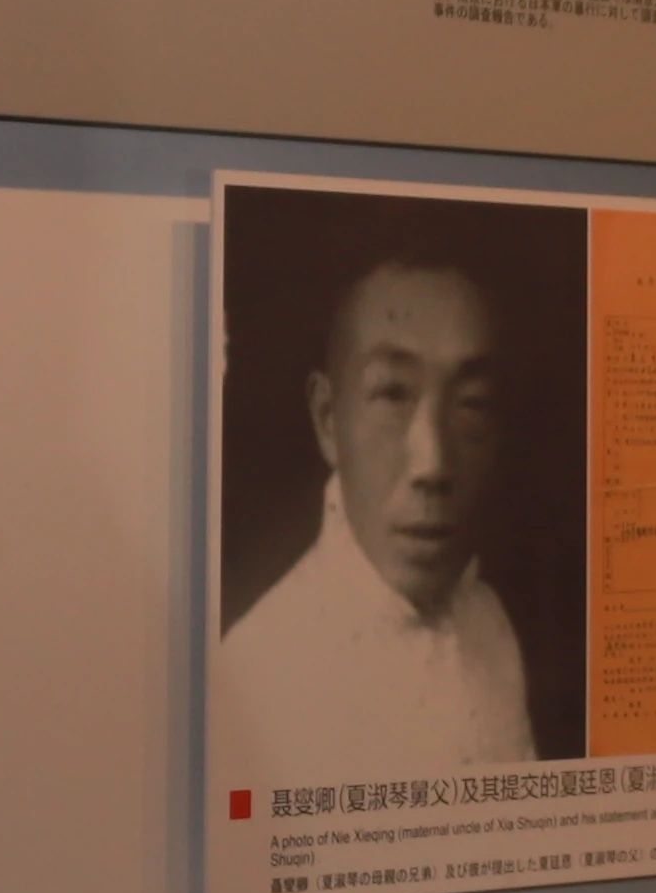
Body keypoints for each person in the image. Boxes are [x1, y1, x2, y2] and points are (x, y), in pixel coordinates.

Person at [208, 248, 537, 773]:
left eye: (472, 402)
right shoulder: (254, 676)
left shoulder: (489, 622)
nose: (433, 464)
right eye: (392, 394)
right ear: (327, 418)